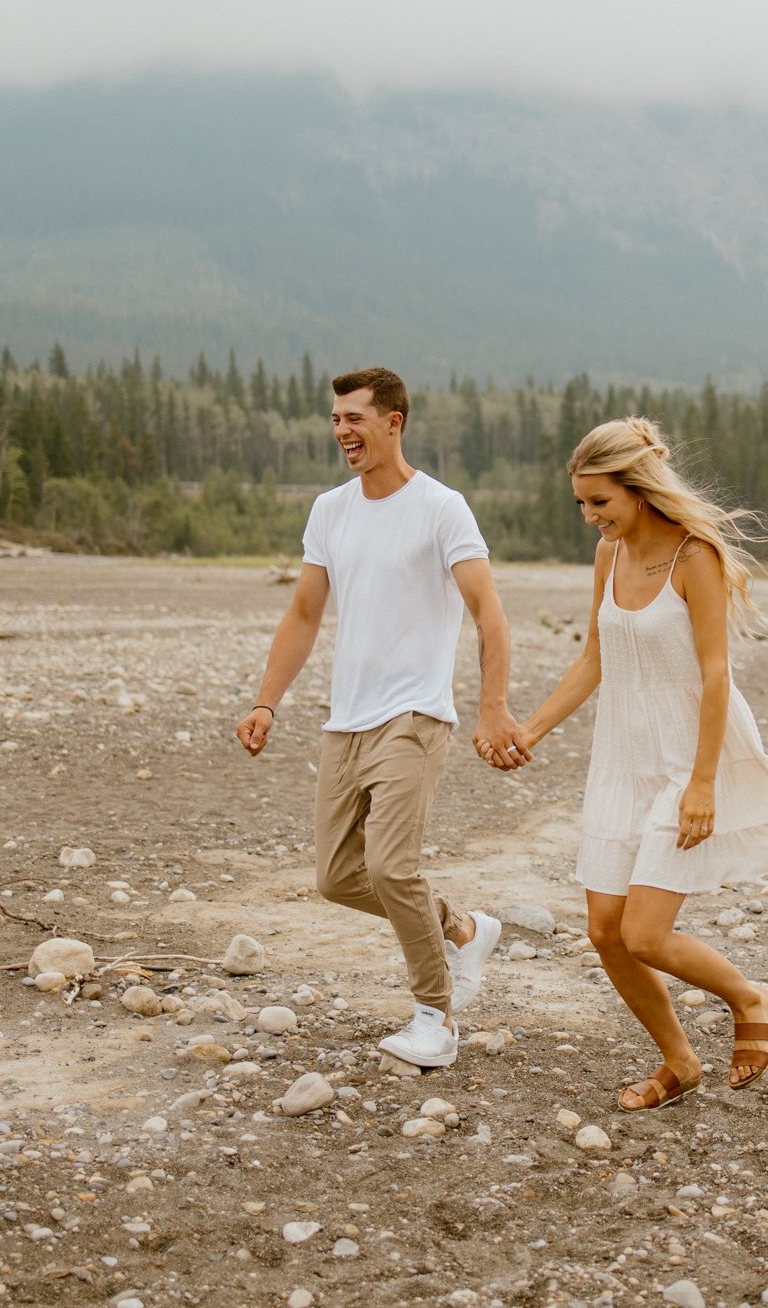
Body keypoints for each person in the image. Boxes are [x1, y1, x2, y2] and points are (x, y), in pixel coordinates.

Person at [500, 417, 768, 1110]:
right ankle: (679, 1061)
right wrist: (529, 728)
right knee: (603, 931)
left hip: (686, 759)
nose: (591, 518)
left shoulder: (694, 556)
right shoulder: (610, 556)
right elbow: (594, 658)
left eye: (601, 502)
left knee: (644, 932)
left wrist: (703, 782)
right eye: (582, 504)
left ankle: (754, 997)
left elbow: (717, 675)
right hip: (621, 760)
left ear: (639, 487)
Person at [236, 366, 531, 1069]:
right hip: (347, 721)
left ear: (393, 422)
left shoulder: (442, 507)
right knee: (338, 876)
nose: (342, 431)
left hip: (415, 714)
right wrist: (265, 700)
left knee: (392, 867)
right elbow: (304, 613)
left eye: (355, 418)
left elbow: (489, 610)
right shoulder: (330, 510)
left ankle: (437, 1017)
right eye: (335, 419)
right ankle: (461, 928)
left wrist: (493, 706)